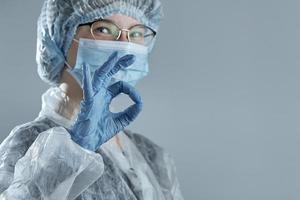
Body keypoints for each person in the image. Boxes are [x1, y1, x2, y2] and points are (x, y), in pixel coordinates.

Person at [0, 0, 184, 199]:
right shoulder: (28, 143)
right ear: (60, 37)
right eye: (104, 29)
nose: (125, 45)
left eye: (137, 33)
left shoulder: (153, 157)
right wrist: (74, 151)